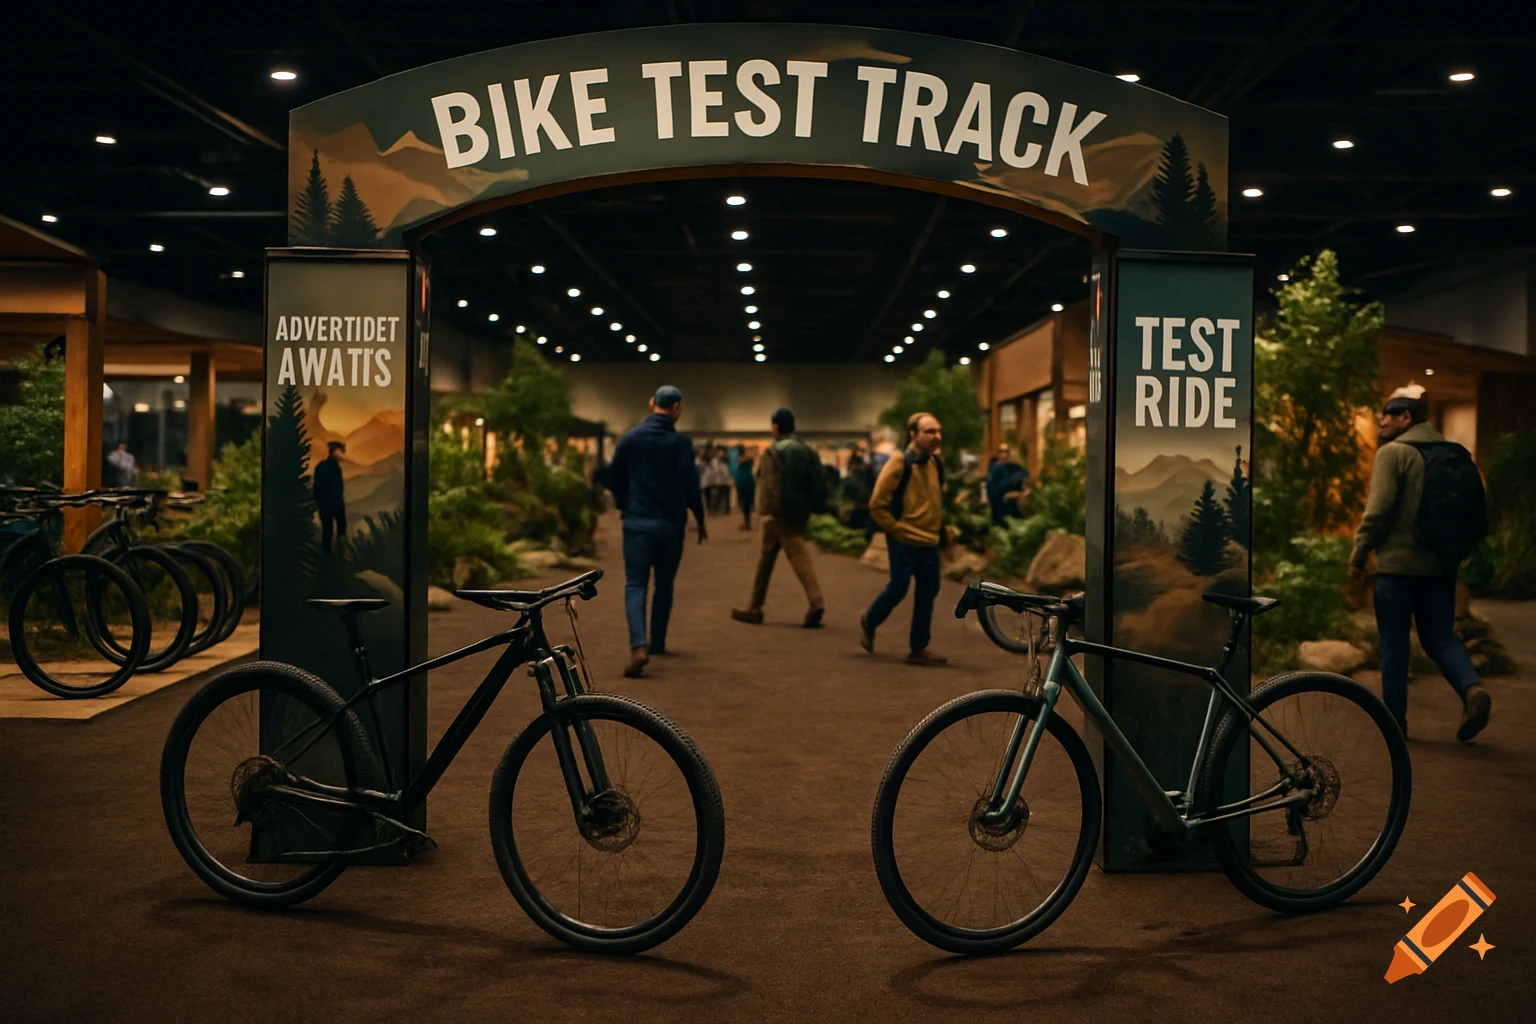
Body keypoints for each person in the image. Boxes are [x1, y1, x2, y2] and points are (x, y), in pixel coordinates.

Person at [1349, 395, 1491, 742]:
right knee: (1441, 635)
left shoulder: (1394, 454)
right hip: (1440, 567)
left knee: (1395, 643)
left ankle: (1394, 725)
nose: (1381, 421)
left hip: (1397, 568)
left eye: (1387, 416)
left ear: (1406, 418)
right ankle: (1472, 690)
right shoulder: (1452, 454)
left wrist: (1358, 554)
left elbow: (1378, 512)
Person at [607, 385, 707, 677]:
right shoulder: (681, 444)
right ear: (677, 408)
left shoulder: (630, 438)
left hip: (637, 524)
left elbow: (615, 478)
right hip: (670, 526)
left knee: (635, 584)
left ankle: (638, 645)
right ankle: (658, 642)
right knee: (664, 584)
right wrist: (699, 519)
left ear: (652, 404)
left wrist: (626, 507)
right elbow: (691, 486)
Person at [861, 412, 948, 666]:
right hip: (904, 540)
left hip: (929, 541)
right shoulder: (899, 463)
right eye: (929, 432)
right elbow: (877, 504)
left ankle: (919, 647)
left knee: (927, 592)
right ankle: (870, 619)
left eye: (937, 431)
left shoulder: (935, 464)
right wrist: (895, 529)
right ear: (913, 434)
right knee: (898, 587)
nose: (936, 436)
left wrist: (943, 529)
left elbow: (934, 501)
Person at [731, 408, 826, 628]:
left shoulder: (774, 452)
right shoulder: (806, 450)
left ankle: (816, 602)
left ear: (775, 427)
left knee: (798, 556)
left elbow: (770, 485)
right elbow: (819, 482)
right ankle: (754, 607)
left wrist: (767, 511)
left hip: (778, 515)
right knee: (765, 558)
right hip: (799, 511)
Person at [313, 440, 347, 554]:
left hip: (325, 505)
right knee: (339, 528)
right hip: (334, 504)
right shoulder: (334, 468)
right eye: (341, 451)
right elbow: (338, 489)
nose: (343, 454)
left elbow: (316, 487)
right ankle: (338, 554)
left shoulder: (321, 467)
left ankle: (327, 556)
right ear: (335, 452)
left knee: (327, 531)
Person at [986, 443, 1029, 525]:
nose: (1004, 454)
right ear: (998, 453)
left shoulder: (1013, 467)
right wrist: (1008, 493)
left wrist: (1022, 491)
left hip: (1014, 507)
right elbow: (993, 490)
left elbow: (1024, 473)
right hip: (1000, 507)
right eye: (1001, 451)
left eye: (1006, 451)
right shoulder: (994, 469)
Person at [733, 444, 756, 530]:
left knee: (746, 504)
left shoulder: (744, 459)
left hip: (745, 483)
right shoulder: (745, 459)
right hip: (745, 483)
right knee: (745, 504)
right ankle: (747, 522)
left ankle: (747, 523)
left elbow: (743, 460)